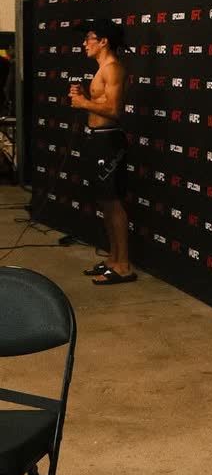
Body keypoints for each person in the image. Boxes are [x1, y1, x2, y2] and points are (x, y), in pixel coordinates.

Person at [68, 18, 136, 285]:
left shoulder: (113, 69)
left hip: (109, 141)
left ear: (104, 41)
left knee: (113, 203)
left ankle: (124, 267)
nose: (84, 43)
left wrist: (83, 102)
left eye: (89, 38)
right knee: (105, 202)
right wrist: (86, 98)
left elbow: (115, 111)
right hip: (98, 139)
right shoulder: (102, 70)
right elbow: (102, 103)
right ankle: (113, 260)